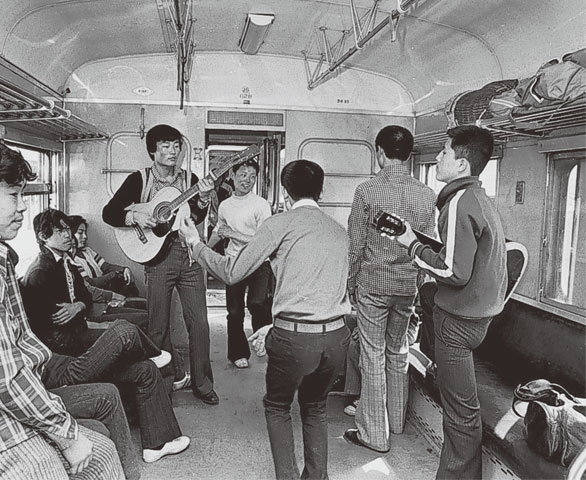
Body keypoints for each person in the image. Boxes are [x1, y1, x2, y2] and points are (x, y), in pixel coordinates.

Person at [0, 141, 123, 480]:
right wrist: (66, 434)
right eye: (13, 195)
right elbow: (4, 380)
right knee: (81, 459)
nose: (23, 206)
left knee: (103, 452)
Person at [179, 159, 351, 479]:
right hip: (337, 338)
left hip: (295, 339)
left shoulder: (278, 224)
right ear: (321, 192)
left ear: (285, 193)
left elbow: (232, 271)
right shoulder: (339, 231)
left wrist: (195, 243)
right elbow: (330, 289)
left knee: (277, 406)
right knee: (315, 408)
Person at [21, 208, 190, 463]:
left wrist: (77, 306)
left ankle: (158, 443)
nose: (68, 235)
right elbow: (48, 331)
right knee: (123, 330)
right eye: (60, 230)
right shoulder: (39, 273)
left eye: (67, 229)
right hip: (67, 353)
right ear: (43, 236)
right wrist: (81, 318)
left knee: (144, 369)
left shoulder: (65, 262)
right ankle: (154, 353)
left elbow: (85, 297)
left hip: (77, 335)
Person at [394, 126, 507, 479]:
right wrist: (420, 241)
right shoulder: (480, 199)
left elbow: (452, 271)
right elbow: (460, 255)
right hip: (479, 319)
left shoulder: (458, 202)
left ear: (461, 165)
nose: (438, 157)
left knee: (460, 414)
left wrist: (412, 247)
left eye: (443, 152)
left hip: (457, 324)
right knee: (427, 297)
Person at [103, 124, 218, 405]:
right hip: (157, 259)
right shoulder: (139, 179)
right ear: (152, 151)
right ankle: (162, 384)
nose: (173, 151)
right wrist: (135, 218)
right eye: (165, 146)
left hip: (188, 256)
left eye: (176, 146)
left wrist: (204, 198)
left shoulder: (189, 179)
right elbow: (109, 213)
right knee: (158, 326)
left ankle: (203, 385)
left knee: (200, 324)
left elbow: (196, 217)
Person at [344, 125, 437, 453]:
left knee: (372, 355)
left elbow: (356, 244)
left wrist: (351, 282)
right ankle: (396, 422)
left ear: (380, 152)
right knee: (398, 350)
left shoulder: (367, 191)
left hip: (373, 283)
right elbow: (427, 247)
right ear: (409, 155)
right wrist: (418, 283)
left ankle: (374, 434)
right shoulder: (427, 194)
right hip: (407, 285)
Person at [207, 159, 273, 368]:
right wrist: (203, 251)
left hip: (259, 262)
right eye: (243, 175)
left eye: (252, 176)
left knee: (257, 303)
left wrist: (233, 234)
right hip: (234, 262)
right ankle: (238, 353)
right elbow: (220, 231)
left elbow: (264, 241)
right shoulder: (225, 205)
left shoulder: (261, 205)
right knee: (234, 312)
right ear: (232, 176)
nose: (248, 180)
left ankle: (264, 342)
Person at [68, 215, 139, 298]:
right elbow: (89, 283)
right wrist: (113, 275)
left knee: (126, 280)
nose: (85, 236)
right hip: (95, 294)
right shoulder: (71, 259)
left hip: (105, 289)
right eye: (80, 233)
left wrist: (124, 269)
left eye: (85, 232)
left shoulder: (87, 251)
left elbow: (106, 267)